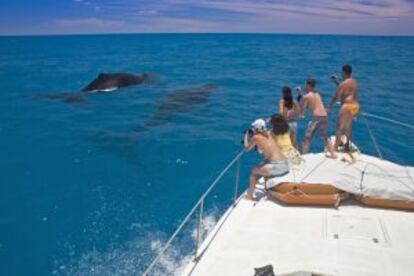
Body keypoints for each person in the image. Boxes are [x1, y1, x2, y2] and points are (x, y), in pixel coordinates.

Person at [243, 118, 289, 200]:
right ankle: (267, 188)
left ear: (257, 128)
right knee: (263, 163)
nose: (253, 129)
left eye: (254, 128)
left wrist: (246, 136)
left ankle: (249, 196)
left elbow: (247, 148)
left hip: (278, 167)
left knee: (253, 171)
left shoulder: (256, 137)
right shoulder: (269, 133)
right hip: (286, 164)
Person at [297, 79, 337, 158]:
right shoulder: (317, 94)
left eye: (306, 85)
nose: (305, 86)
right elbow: (309, 99)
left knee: (307, 138)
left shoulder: (306, 96)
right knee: (325, 137)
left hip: (316, 119)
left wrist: (300, 115)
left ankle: (303, 156)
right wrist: (300, 93)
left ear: (308, 85)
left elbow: (302, 110)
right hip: (324, 117)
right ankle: (333, 154)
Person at [328, 65, 359, 151]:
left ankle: (335, 148)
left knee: (339, 128)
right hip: (355, 106)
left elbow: (336, 96)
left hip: (346, 107)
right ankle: (347, 145)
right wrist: (337, 82)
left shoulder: (343, 84)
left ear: (344, 72)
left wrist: (329, 107)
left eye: (341, 72)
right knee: (348, 128)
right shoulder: (354, 81)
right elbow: (347, 91)